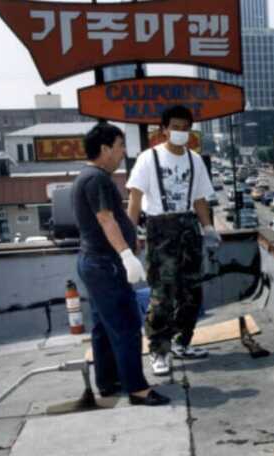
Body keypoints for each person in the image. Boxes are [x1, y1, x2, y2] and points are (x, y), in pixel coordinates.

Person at [72, 123, 169, 406]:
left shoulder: (87, 176)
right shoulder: (97, 179)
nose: (123, 152)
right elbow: (106, 219)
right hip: (106, 264)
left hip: (94, 262)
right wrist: (126, 255)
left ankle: (109, 382)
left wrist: (130, 238)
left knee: (104, 326)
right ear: (104, 149)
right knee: (126, 325)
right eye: (119, 146)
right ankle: (137, 389)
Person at [127, 105, 219, 377]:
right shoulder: (148, 158)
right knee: (162, 294)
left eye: (185, 128)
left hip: (189, 228)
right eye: (175, 127)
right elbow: (134, 199)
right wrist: (130, 236)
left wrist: (208, 227)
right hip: (160, 229)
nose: (181, 132)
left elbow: (199, 199)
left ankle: (182, 342)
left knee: (192, 292)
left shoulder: (195, 160)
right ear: (164, 129)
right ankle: (159, 350)